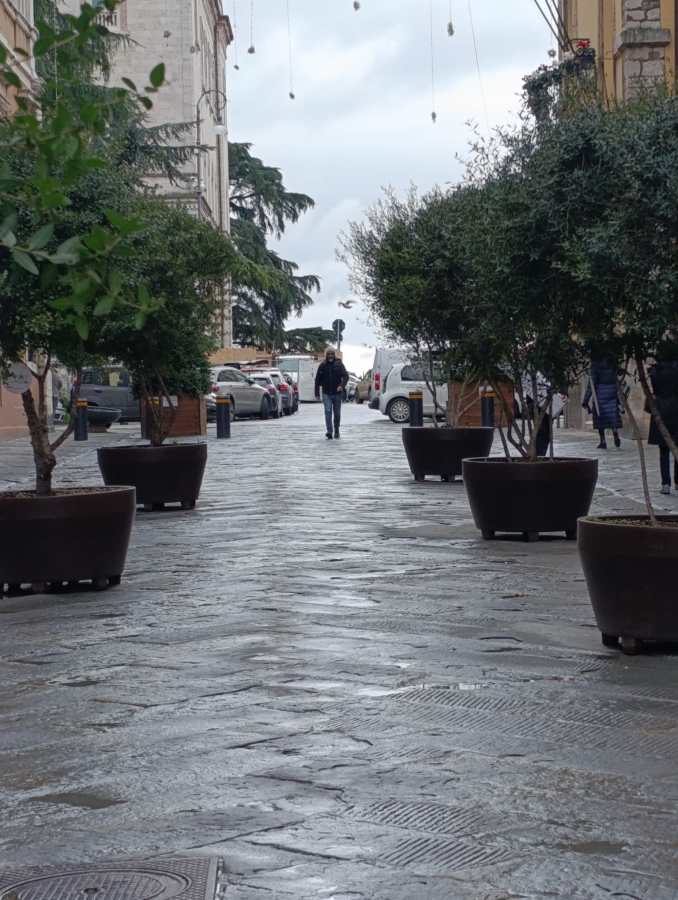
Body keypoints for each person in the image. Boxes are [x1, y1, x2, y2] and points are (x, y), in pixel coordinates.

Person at [647, 351, 678, 495]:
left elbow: (654, 390)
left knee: (663, 450)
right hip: (676, 408)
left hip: (660, 409)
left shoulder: (655, 371)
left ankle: (665, 483)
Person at [521, 373, 565, 457]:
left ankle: (539, 454)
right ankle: (538, 454)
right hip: (537, 398)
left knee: (544, 430)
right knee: (542, 430)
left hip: (547, 398)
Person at [583, 359, 622, 450]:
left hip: (600, 394)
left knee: (600, 418)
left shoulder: (595, 365)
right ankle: (615, 431)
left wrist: (585, 400)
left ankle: (603, 441)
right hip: (612, 391)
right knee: (612, 414)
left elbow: (591, 385)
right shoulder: (612, 363)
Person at [314, 349, 349, 439]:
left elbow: (346, 376)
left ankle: (336, 429)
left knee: (337, 413)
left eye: (332, 354)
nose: (330, 356)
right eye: (328, 354)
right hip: (326, 393)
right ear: (326, 355)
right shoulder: (322, 365)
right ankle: (329, 431)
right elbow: (317, 380)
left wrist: (341, 385)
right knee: (328, 412)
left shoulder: (339, 364)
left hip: (337, 393)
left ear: (334, 355)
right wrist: (317, 393)